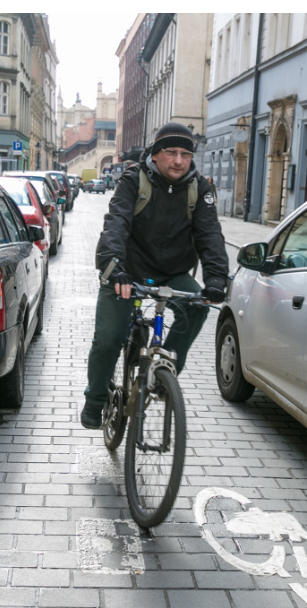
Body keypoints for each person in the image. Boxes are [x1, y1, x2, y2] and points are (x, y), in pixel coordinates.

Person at [80, 122, 230, 429]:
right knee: (109, 338)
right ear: (156, 153)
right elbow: (116, 224)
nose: (178, 161)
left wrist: (216, 278)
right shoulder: (133, 179)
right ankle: (96, 398)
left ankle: (167, 368)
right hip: (126, 273)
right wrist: (114, 269)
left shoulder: (201, 188)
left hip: (173, 273)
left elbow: (210, 234)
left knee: (198, 305)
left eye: (185, 154)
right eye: (171, 152)